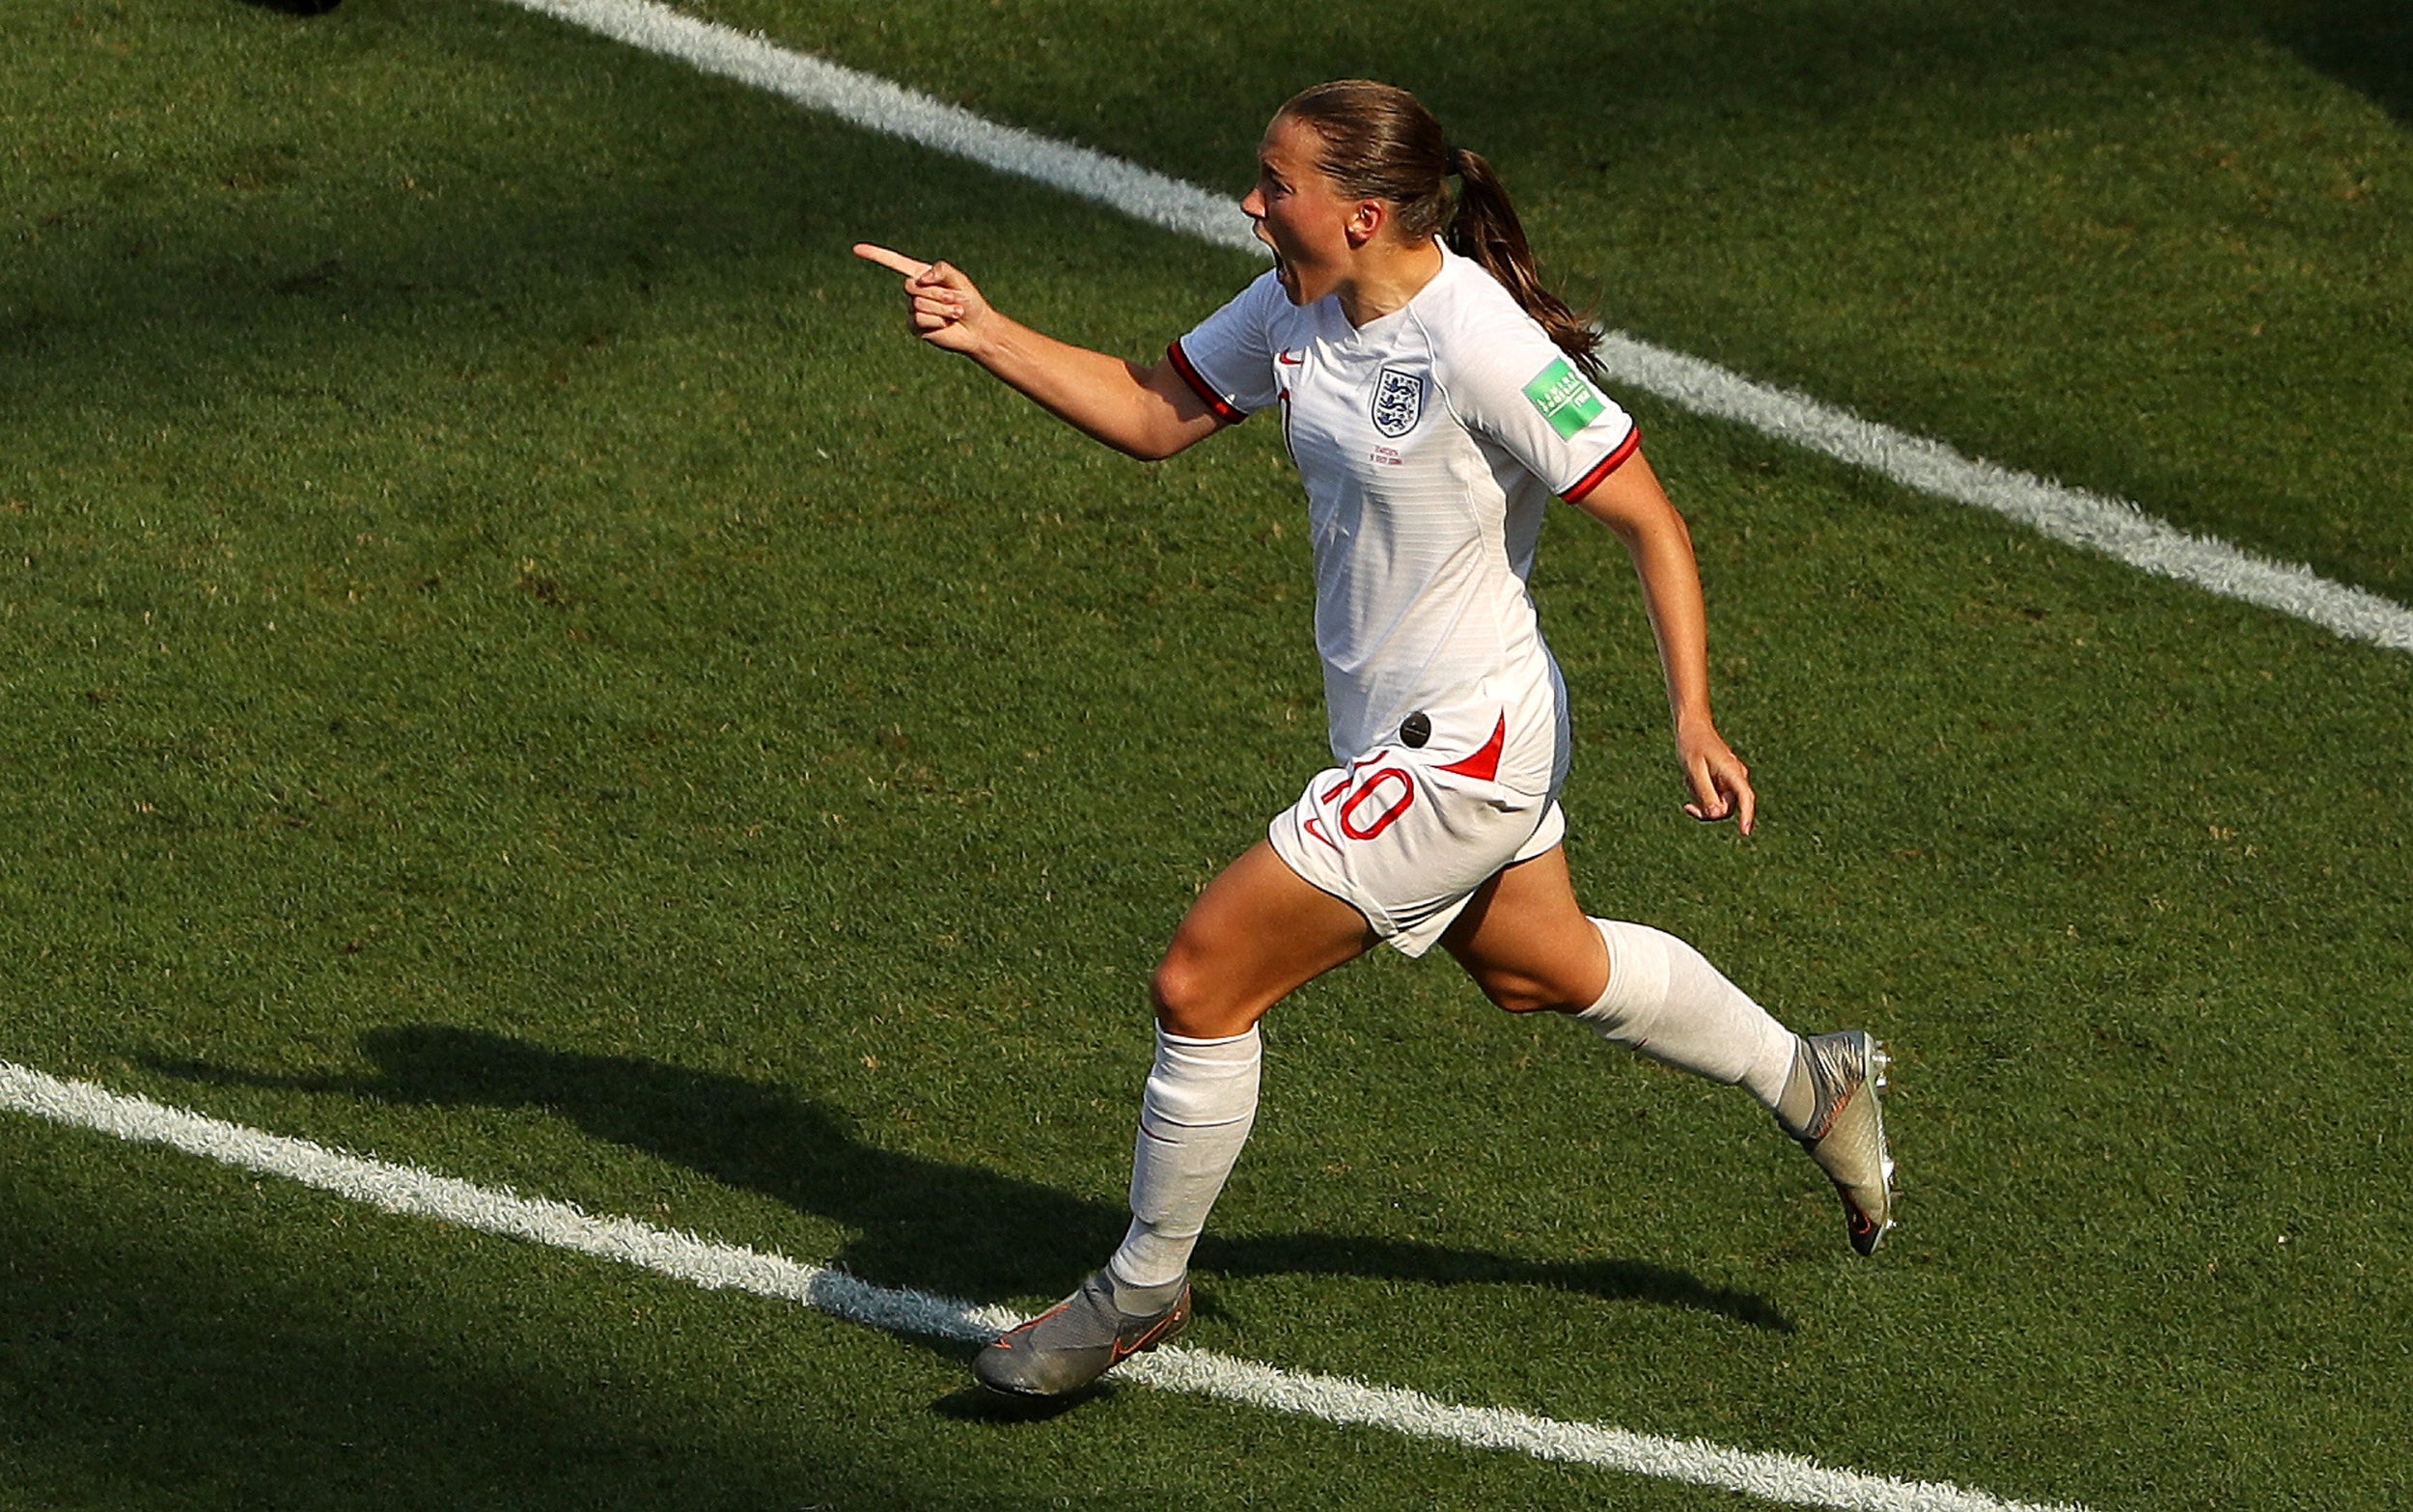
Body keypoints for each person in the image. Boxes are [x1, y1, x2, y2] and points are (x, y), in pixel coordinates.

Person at [854, 78, 1894, 1400]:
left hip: (1464, 746)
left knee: (1201, 980)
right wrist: (987, 331)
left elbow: (1649, 517)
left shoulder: (1481, 343)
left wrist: (1692, 711)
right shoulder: (1295, 302)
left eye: (1273, 183)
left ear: (1360, 213)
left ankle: (1139, 1290)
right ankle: (1810, 1076)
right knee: (1541, 968)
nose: (1248, 199)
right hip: (1404, 734)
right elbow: (1151, 414)